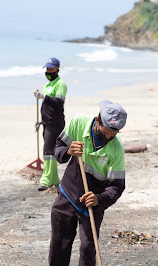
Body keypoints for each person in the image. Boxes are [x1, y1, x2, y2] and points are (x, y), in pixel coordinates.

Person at [48, 100, 127, 265]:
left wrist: (99, 199)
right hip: (68, 195)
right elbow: (57, 148)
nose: (108, 138)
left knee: (88, 249)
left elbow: (117, 186)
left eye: (113, 135)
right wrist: (68, 151)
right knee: (59, 244)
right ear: (97, 121)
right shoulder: (79, 122)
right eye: (105, 133)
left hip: (92, 204)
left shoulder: (116, 149)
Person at [33, 57, 67, 191]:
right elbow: (47, 107)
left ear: (57, 69)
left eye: (51, 68)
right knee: (49, 150)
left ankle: (46, 179)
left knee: (48, 150)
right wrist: (40, 122)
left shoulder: (60, 84)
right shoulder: (48, 85)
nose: (48, 71)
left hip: (55, 122)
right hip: (47, 122)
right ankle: (53, 178)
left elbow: (58, 103)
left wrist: (43, 97)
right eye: (47, 68)